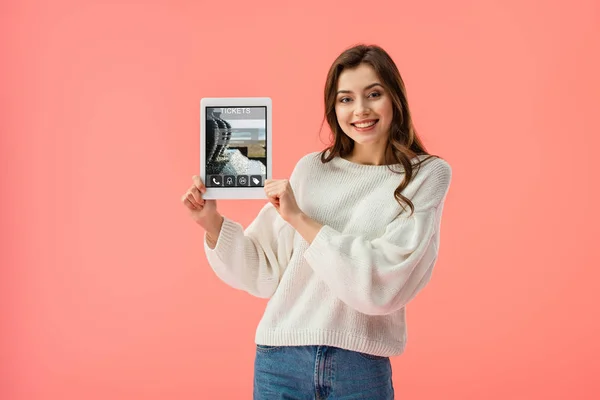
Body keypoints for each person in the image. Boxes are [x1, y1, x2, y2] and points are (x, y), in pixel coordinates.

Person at [181, 44, 452, 399]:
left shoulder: (426, 175)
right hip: (280, 361)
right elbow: (264, 271)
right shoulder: (312, 168)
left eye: (373, 94)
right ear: (332, 107)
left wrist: (300, 219)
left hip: (360, 367)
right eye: (345, 99)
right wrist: (211, 221)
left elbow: (382, 286)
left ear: (395, 98)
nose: (360, 110)